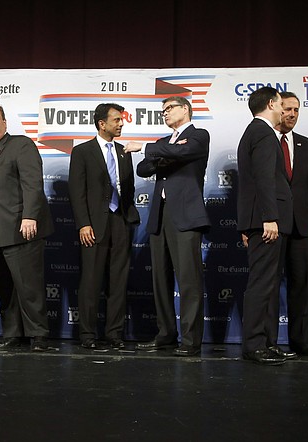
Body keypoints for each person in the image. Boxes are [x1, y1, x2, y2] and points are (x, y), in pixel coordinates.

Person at [129, 96, 210, 356]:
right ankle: (165, 334)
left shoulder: (199, 135)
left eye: (169, 109)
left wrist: (149, 150)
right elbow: (144, 168)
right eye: (162, 110)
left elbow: (184, 152)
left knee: (189, 281)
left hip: (186, 216)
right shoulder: (163, 143)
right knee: (160, 280)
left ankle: (190, 341)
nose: (164, 113)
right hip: (160, 216)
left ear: (185, 109)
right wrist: (162, 154)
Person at [0, 102, 54, 352]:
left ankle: (38, 334)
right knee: (6, 288)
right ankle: (13, 333)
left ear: (5, 122)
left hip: (22, 230)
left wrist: (30, 216)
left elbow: (32, 182)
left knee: (29, 286)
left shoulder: (20, 144)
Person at [69, 103, 140, 350]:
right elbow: (77, 192)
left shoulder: (124, 151)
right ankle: (88, 334)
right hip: (94, 224)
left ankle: (114, 334)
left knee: (118, 281)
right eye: (117, 120)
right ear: (102, 124)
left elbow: (127, 188)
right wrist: (84, 224)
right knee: (91, 281)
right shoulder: (82, 151)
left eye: (121, 120)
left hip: (120, 220)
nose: (121, 124)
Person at [236, 86, 292, 365]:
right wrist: (269, 217)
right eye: (281, 104)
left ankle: (265, 342)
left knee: (267, 282)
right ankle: (254, 345)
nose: (284, 110)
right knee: (261, 283)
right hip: (266, 220)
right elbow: (263, 178)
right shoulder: (263, 132)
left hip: (259, 219)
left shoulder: (256, 131)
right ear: (271, 104)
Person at [272, 92, 308, 357]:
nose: (292, 114)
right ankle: (268, 342)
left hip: (303, 226)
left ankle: (300, 341)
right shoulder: (264, 142)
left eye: (296, 110)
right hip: (270, 226)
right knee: (269, 286)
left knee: (301, 285)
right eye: (287, 109)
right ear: (275, 109)